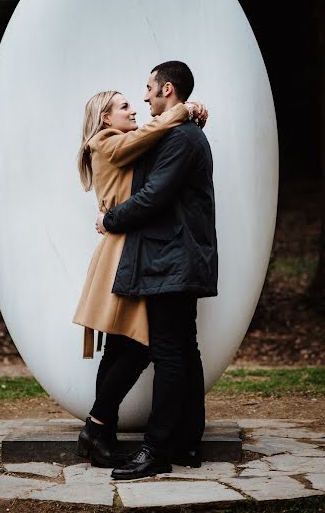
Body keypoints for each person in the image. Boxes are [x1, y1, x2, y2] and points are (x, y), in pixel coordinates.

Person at [95, 61, 218, 480]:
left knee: (169, 352)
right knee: (184, 348)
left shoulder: (180, 139)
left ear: (167, 89)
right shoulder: (183, 132)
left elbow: (152, 197)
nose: (144, 96)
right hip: (179, 258)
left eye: (148, 89)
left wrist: (110, 219)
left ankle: (158, 448)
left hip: (172, 260)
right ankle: (187, 439)